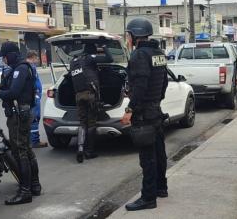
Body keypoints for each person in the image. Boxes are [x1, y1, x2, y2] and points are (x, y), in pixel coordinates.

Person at [121, 18, 169, 211]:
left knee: (147, 157)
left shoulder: (139, 55)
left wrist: (129, 109)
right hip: (156, 110)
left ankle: (148, 198)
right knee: (159, 153)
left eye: (128, 35)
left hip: (144, 114)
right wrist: (156, 100)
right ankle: (161, 188)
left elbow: (140, 85)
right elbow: (164, 83)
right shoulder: (159, 53)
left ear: (135, 35)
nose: (127, 38)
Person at [0, 42, 41, 205]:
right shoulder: (16, 69)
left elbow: (13, 93)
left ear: (10, 55)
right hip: (21, 114)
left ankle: (25, 191)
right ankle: (34, 185)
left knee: (20, 152)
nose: (3, 60)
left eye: (4, 56)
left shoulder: (21, 68)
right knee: (27, 150)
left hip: (19, 116)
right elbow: (7, 86)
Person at [70, 42, 113, 163]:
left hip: (78, 95)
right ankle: (89, 151)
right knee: (91, 123)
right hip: (90, 95)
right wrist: (104, 46)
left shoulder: (74, 61)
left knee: (82, 123)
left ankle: (80, 149)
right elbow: (110, 59)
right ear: (92, 52)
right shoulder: (89, 58)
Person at [26, 50, 48, 148]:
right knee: (34, 118)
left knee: (33, 118)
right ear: (33, 57)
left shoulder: (29, 67)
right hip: (34, 97)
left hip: (34, 96)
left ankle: (31, 140)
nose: (38, 60)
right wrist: (36, 95)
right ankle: (34, 141)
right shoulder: (30, 67)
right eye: (37, 58)